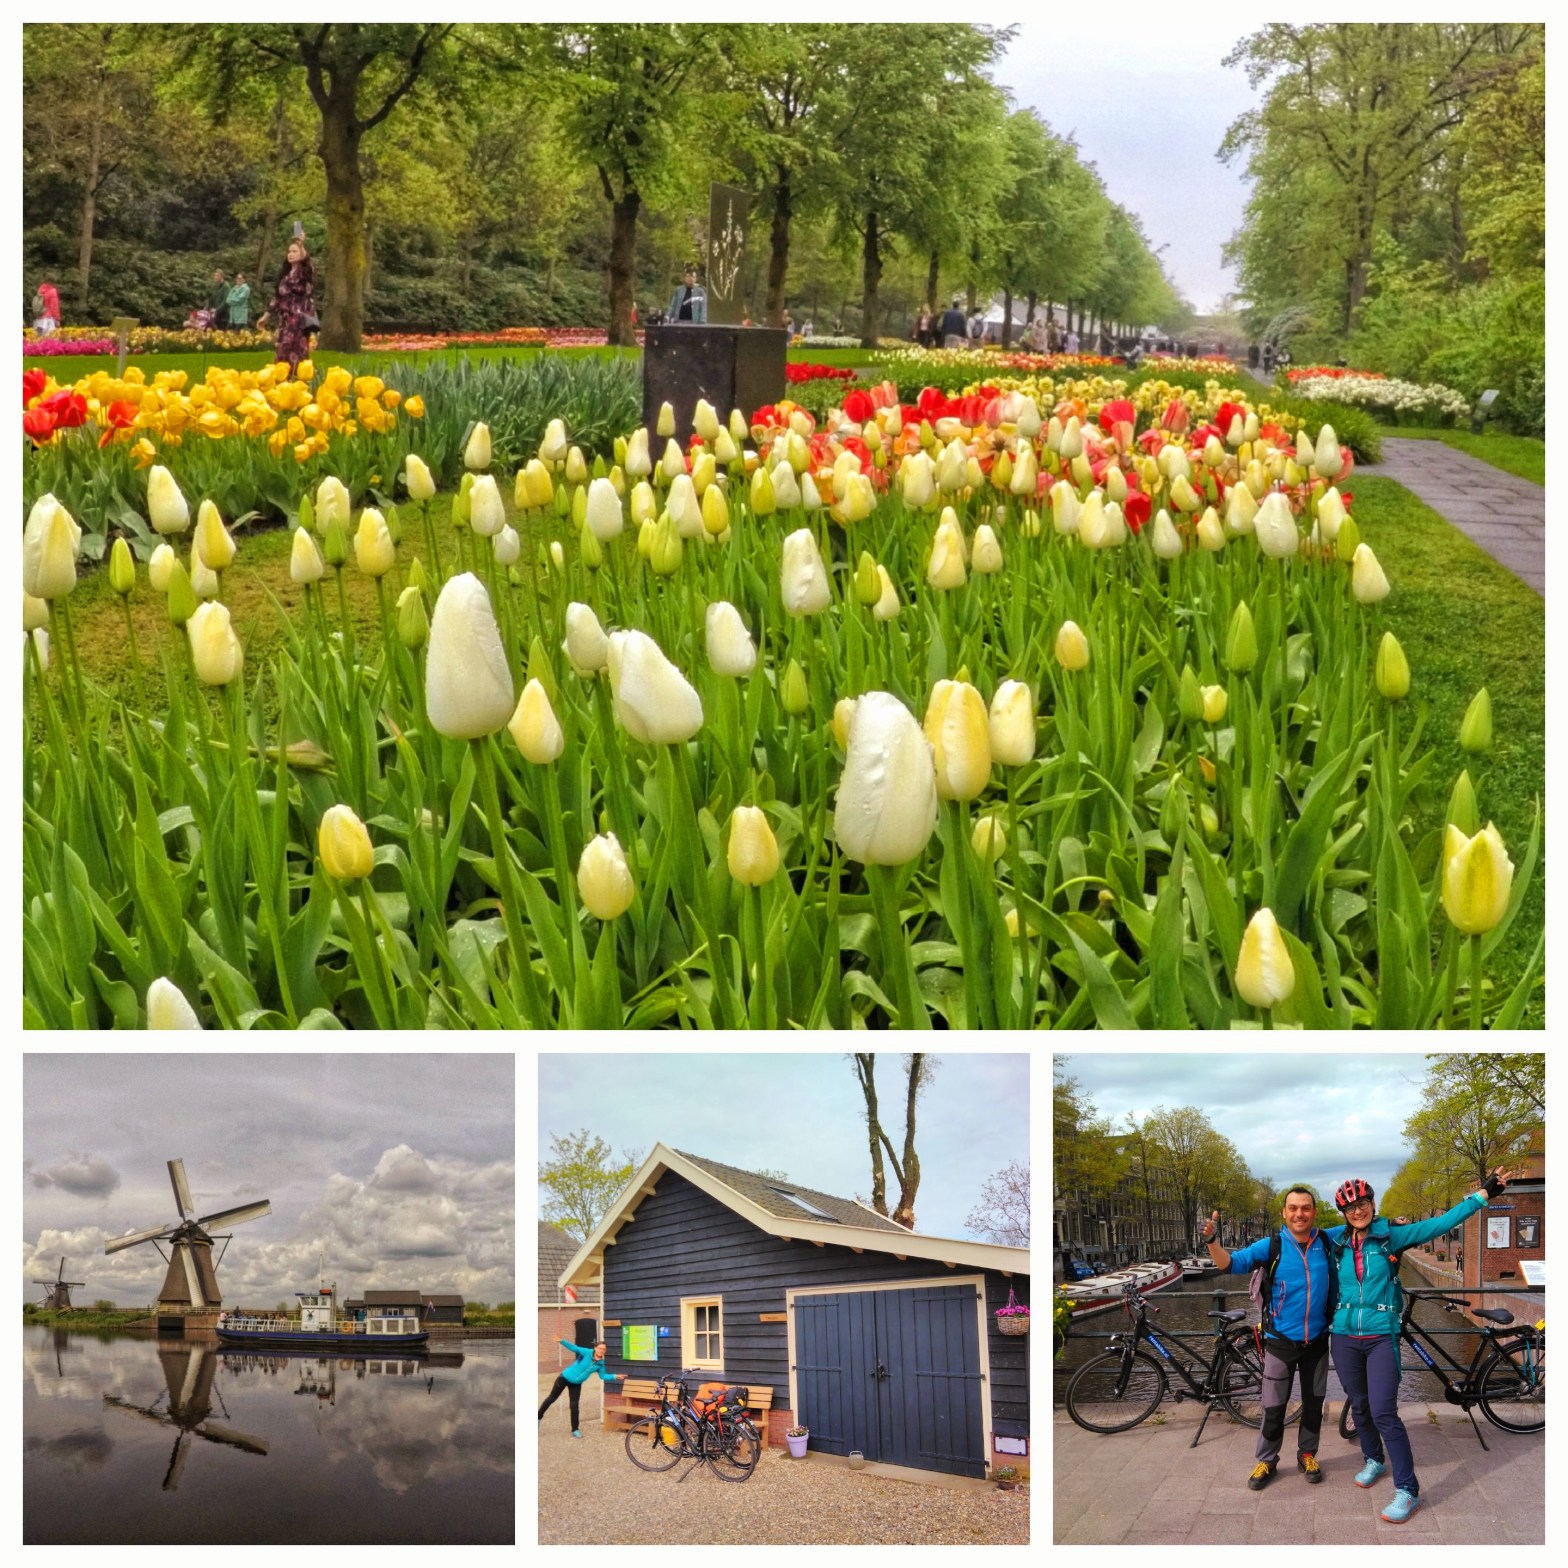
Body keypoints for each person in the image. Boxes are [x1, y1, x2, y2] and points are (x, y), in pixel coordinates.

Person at [1325, 1170, 1515, 1525]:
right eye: (1351, 1207)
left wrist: (1483, 1194)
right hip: (1344, 1337)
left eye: (1363, 1203)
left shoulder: (1390, 1237)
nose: (1358, 1211)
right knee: (1361, 1407)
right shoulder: (1335, 1241)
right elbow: (1298, 1241)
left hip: (1382, 1334)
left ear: (1372, 1204)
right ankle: (1373, 1459)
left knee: (1383, 1411)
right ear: (1344, 1213)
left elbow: (1440, 1224)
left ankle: (1407, 1490)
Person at [1201, 1187, 1334, 1494]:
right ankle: (1267, 1460)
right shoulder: (1272, 1245)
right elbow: (1228, 1265)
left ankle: (1307, 1455)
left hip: (1316, 1340)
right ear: (1284, 1214)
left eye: (1305, 1208)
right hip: (1279, 1341)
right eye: (1293, 1208)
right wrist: (1211, 1241)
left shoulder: (1327, 1241)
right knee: (1273, 1406)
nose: (1299, 1213)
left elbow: (1361, 1225)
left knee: (1314, 1403)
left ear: (1314, 1213)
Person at [256, 236, 318, 374]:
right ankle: (282, 376)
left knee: (297, 347)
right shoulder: (285, 276)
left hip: (299, 319)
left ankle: (298, 376)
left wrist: (301, 245)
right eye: (289, 251)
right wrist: (265, 316)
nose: (290, 254)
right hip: (284, 319)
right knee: (282, 347)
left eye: (294, 251)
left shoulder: (305, 274)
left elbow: (308, 264)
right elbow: (277, 298)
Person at [538, 1337, 620, 1438]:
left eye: (603, 1349)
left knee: (574, 1406)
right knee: (551, 1398)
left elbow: (602, 1376)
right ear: (595, 1348)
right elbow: (574, 1348)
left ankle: (575, 1429)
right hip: (564, 1377)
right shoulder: (587, 1352)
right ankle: (538, 1417)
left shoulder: (600, 1364)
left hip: (576, 1384)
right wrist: (562, 1341)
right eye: (600, 1348)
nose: (601, 1350)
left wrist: (615, 1376)